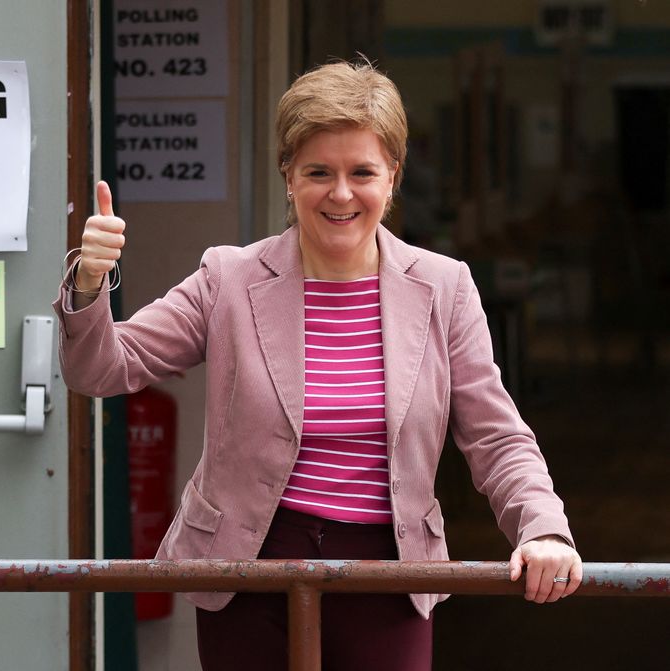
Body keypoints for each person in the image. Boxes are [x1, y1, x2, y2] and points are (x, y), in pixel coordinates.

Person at [54, 60, 581, 670]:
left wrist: (542, 526)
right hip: (245, 570)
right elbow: (101, 370)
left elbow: (495, 433)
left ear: (393, 177)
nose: (341, 193)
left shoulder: (444, 287)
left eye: (362, 172)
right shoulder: (229, 278)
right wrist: (91, 280)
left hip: (389, 571)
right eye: (318, 172)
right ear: (287, 175)